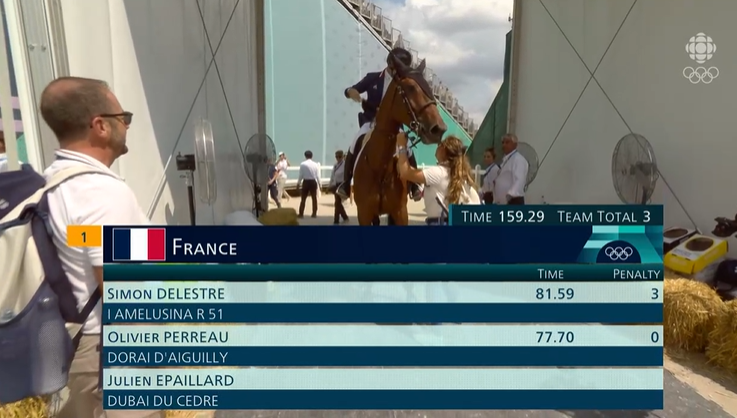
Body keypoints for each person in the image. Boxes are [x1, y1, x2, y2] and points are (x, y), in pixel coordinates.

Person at [39, 77, 163, 418]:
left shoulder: (51, 183)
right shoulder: (102, 193)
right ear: (101, 126)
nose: (127, 125)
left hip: (73, 346)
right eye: (124, 117)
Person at [336, 47, 422, 202]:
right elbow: (351, 90)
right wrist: (351, 91)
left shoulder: (403, 83)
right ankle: (346, 183)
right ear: (390, 64)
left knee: (408, 147)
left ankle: (415, 184)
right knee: (355, 143)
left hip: (394, 124)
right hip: (371, 122)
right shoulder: (373, 78)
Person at [396, 133, 480, 225]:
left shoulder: (438, 172)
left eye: (440, 145)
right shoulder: (459, 174)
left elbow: (405, 173)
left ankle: (415, 188)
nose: (438, 146)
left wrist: (402, 146)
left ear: (444, 150)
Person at [494, 133, 529, 205]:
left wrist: (510, 195)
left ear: (515, 145)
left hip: (513, 200)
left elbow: (519, 179)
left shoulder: (518, 160)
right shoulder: (506, 159)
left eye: (507, 142)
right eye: (503, 143)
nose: (504, 145)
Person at [297, 149, 319, 218]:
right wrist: (320, 184)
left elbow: (301, 175)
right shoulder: (315, 164)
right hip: (313, 181)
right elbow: (318, 175)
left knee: (303, 198)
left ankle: (301, 213)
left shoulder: (303, 164)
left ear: (305, 156)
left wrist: (298, 183)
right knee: (314, 198)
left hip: (306, 182)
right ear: (312, 156)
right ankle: (314, 213)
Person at [329, 150, 349, 224]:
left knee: (337, 203)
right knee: (338, 202)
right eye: (336, 157)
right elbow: (332, 175)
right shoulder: (335, 165)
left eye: (339, 157)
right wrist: (330, 184)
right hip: (336, 185)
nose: (338, 158)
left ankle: (336, 220)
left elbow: (347, 175)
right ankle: (344, 216)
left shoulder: (345, 165)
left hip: (342, 185)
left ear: (342, 156)